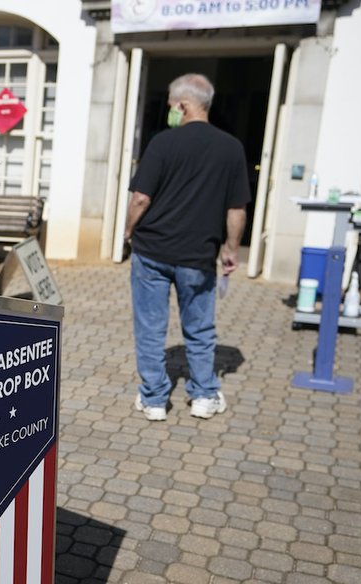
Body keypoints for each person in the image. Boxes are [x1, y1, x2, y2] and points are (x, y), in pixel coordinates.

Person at [123, 73, 250, 422]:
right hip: (198, 255)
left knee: (150, 328)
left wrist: (128, 231)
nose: (168, 109)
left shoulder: (162, 144)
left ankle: (153, 400)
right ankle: (204, 396)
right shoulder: (231, 148)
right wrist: (231, 249)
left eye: (169, 103)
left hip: (152, 251)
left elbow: (140, 197)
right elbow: (236, 209)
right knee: (200, 328)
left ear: (183, 105)